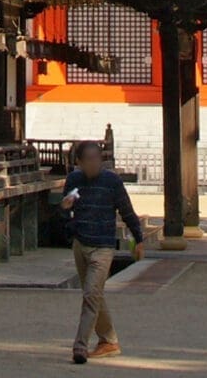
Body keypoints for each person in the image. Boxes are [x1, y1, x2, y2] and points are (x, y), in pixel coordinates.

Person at [60, 138, 144, 363]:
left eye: (96, 159)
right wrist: (66, 210)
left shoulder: (112, 182)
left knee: (90, 294)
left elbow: (127, 211)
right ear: (79, 162)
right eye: (88, 160)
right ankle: (109, 340)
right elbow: (65, 212)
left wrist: (139, 237)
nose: (93, 164)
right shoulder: (74, 180)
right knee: (94, 294)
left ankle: (80, 345)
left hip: (103, 246)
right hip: (81, 243)